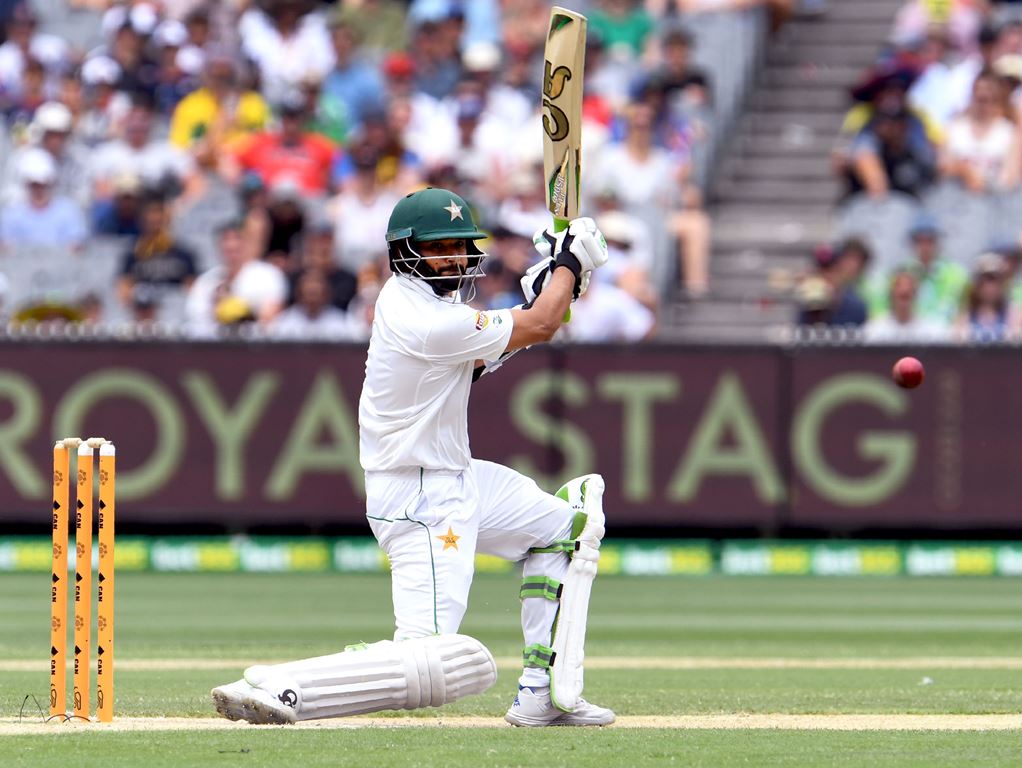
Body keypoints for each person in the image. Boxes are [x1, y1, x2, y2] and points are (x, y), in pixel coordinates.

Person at [211, 187, 615, 727]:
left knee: (565, 529)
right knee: (433, 658)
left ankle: (542, 693)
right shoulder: (422, 316)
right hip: (421, 501)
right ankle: (289, 686)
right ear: (406, 250)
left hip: (457, 479)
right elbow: (539, 326)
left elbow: (493, 349)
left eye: (460, 245)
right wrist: (566, 265)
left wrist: (551, 288)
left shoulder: (435, 307)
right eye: (437, 247)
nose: (452, 257)